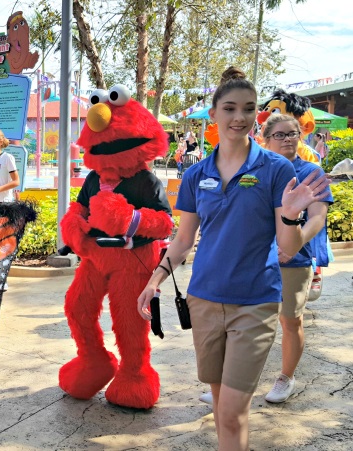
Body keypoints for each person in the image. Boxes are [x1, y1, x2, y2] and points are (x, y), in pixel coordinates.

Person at [136, 67, 330, 451]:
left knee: (231, 411)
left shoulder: (276, 169)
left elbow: (288, 248)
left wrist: (292, 215)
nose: (239, 117)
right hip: (204, 298)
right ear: (214, 115)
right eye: (229, 108)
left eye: (248, 109)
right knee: (221, 403)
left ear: (256, 115)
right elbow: (184, 238)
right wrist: (155, 278)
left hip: (254, 302)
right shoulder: (195, 175)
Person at [261, 114, 333, 403]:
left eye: (292, 133)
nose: (288, 138)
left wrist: (294, 244)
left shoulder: (311, 173)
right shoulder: (256, 170)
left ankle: (285, 377)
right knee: (248, 322)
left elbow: (317, 219)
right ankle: (231, 382)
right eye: (279, 134)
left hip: (295, 260)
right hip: (257, 260)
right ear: (265, 139)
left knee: (290, 320)